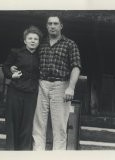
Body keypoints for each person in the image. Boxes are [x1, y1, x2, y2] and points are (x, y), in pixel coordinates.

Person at [32, 15, 82, 150]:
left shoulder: (70, 44)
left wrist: (71, 88)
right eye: (50, 24)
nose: (52, 26)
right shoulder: (40, 43)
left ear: (61, 26)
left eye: (55, 23)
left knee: (59, 126)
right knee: (38, 125)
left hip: (61, 85)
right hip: (42, 85)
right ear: (47, 26)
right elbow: (29, 58)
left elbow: (76, 67)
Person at [2, 26, 42, 150]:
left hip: (31, 94)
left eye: (36, 39)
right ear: (25, 41)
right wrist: (11, 74)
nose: (33, 41)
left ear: (39, 42)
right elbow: (5, 67)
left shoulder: (40, 56)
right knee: (12, 123)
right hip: (15, 92)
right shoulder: (16, 52)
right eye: (30, 38)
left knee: (27, 125)